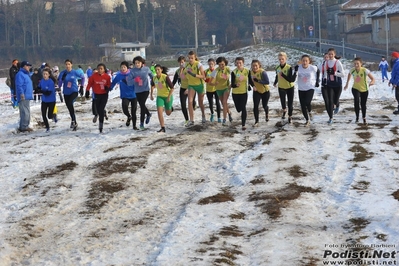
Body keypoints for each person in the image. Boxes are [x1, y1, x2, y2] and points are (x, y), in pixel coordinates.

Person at [344, 57, 375, 124]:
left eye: (357, 63)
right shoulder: (352, 70)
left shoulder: (364, 70)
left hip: (364, 90)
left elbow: (373, 78)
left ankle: (364, 117)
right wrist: (347, 83)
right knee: (356, 100)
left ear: (361, 64)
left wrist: (372, 82)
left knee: (363, 104)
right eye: (355, 64)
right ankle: (357, 117)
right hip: (355, 88)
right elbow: (349, 74)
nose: (356, 65)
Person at [58, 59, 85, 131]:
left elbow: (83, 77)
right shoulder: (62, 73)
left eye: (69, 64)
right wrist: (61, 80)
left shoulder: (75, 72)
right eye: (66, 64)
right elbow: (59, 85)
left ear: (71, 65)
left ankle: (73, 121)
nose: (67, 66)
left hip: (74, 91)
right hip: (66, 93)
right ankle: (74, 121)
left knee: (70, 104)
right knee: (70, 107)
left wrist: (82, 87)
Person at [127, 56, 153, 130]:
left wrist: (153, 81)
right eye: (136, 63)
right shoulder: (132, 71)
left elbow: (152, 76)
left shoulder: (146, 69)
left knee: (142, 105)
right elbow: (129, 82)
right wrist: (135, 80)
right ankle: (148, 114)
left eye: (138, 63)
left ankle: (141, 124)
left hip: (145, 90)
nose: (137, 64)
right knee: (142, 105)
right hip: (137, 91)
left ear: (142, 63)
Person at [320, 48, 345, 124]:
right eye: (329, 54)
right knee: (330, 101)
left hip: (338, 85)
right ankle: (331, 118)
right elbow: (325, 73)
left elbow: (343, 74)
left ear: (334, 54)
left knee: (335, 100)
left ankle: (337, 105)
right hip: (330, 85)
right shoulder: (326, 63)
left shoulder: (337, 62)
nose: (330, 55)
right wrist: (324, 79)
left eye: (332, 54)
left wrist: (335, 73)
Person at [110, 61, 138, 129]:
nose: (123, 68)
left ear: (127, 67)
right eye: (122, 67)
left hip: (134, 95)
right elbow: (113, 83)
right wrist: (109, 88)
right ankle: (129, 116)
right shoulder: (119, 75)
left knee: (133, 111)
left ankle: (134, 126)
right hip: (125, 95)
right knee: (124, 108)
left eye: (124, 67)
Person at [85, 63, 111, 133]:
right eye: (98, 69)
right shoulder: (93, 76)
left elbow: (109, 84)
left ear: (104, 69)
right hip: (97, 95)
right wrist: (87, 91)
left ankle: (101, 125)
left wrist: (107, 87)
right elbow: (89, 84)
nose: (99, 70)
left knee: (101, 109)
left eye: (101, 69)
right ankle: (103, 115)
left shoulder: (107, 77)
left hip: (104, 95)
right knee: (99, 110)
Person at [172, 56, 197, 125]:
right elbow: (173, 82)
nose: (181, 64)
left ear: (185, 62)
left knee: (192, 104)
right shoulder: (178, 71)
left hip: (191, 87)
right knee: (183, 105)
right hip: (182, 88)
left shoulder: (188, 69)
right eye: (180, 62)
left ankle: (194, 103)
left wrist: (188, 88)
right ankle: (186, 120)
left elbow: (192, 80)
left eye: (182, 62)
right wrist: (169, 88)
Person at [296, 55, 320, 126]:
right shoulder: (298, 67)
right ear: (301, 61)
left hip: (310, 87)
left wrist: (317, 81)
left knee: (307, 102)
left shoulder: (312, 67)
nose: (305, 62)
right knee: (302, 105)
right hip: (301, 88)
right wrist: (295, 71)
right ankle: (307, 120)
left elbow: (318, 71)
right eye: (303, 60)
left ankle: (309, 111)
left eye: (306, 61)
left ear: (309, 61)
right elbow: (294, 75)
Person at [273, 52, 297, 123]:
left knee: (290, 103)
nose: (281, 60)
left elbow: (290, 80)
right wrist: (275, 82)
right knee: (283, 102)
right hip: (281, 87)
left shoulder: (289, 67)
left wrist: (283, 75)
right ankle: (284, 110)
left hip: (289, 87)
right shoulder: (277, 67)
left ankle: (290, 116)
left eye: (282, 59)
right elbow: (277, 75)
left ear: (285, 59)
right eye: (280, 59)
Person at [150, 65, 174, 133]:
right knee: (159, 112)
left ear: (161, 70)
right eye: (156, 70)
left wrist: (169, 97)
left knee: (168, 113)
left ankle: (170, 108)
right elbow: (152, 86)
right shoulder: (154, 78)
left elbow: (172, 88)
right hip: (160, 97)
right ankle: (162, 127)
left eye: (158, 69)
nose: (157, 71)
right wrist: (151, 95)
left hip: (167, 96)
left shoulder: (165, 77)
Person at [231, 57, 253, 131]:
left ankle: (243, 125)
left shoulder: (247, 71)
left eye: (240, 63)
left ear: (243, 63)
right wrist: (235, 85)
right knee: (238, 109)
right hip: (235, 93)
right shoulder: (234, 72)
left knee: (243, 108)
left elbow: (250, 80)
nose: (238, 64)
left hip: (243, 92)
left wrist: (251, 86)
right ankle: (238, 110)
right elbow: (232, 84)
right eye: (237, 63)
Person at [185, 50, 206, 127]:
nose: (190, 59)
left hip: (199, 85)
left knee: (200, 103)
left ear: (195, 58)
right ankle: (191, 120)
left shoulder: (198, 64)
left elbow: (203, 76)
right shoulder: (186, 65)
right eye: (189, 58)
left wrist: (194, 75)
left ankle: (203, 115)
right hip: (191, 85)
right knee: (190, 102)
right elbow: (181, 69)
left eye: (192, 58)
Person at [211, 56, 233, 125]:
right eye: (219, 65)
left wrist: (225, 76)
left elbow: (228, 77)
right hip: (218, 89)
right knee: (224, 104)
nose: (221, 66)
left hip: (226, 87)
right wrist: (214, 83)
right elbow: (210, 82)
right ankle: (229, 113)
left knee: (224, 101)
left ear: (225, 63)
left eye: (222, 64)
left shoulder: (228, 69)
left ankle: (224, 119)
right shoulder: (215, 71)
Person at [250, 59, 270, 127]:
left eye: (256, 66)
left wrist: (258, 81)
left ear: (259, 66)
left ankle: (267, 114)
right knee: (255, 106)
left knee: (264, 106)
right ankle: (256, 121)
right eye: (253, 66)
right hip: (256, 91)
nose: (254, 67)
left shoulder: (262, 72)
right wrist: (250, 86)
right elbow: (250, 80)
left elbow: (267, 82)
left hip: (265, 92)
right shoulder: (250, 72)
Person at [15, 61, 34, 132]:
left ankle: (24, 125)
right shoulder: (20, 74)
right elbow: (19, 85)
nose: (29, 67)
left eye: (29, 66)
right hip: (23, 96)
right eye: (27, 66)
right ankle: (24, 127)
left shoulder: (26, 74)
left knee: (27, 111)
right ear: (23, 66)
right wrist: (21, 94)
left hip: (28, 95)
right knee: (25, 112)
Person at [204, 58, 221, 122]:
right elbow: (205, 80)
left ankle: (219, 117)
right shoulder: (206, 71)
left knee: (217, 103)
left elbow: (220, 78)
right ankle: (212, 114)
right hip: (209, 89)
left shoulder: (216, 71)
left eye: (212, 64)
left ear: (214, 64)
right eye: (209, 64)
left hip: (216, 89)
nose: (211, 65)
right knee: (210, 103)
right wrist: (206, 80)